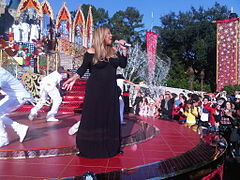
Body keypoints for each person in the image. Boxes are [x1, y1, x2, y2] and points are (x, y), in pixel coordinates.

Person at [63, 26, 128, 158]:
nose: (111, 36)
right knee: (94, 116)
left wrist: (124, 50)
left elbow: (123, 64)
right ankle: (90, 147)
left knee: (109, 117)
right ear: (102, 35)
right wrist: (74, 78)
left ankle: (111, 146)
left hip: (110, 89)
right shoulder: (91, 51)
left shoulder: (113, 50)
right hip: (95, 90)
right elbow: (83, 68)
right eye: (108, 34)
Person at [0, 67, 32, 148]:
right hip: (13, 96)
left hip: (19, 96)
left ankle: (3, 139)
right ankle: (20, 128)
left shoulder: (1, 74)